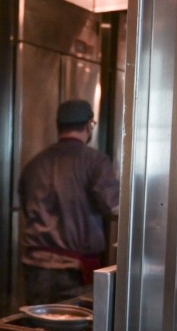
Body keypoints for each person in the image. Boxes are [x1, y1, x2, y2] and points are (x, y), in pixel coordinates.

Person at [18, 99, 120, 305]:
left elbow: (26, 207)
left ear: (58, 126)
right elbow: (114, 207)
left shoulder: (35, 163)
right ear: (88, 125)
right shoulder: (95, 161)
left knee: (39, 327)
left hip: (35, 266)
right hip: (72, 270)